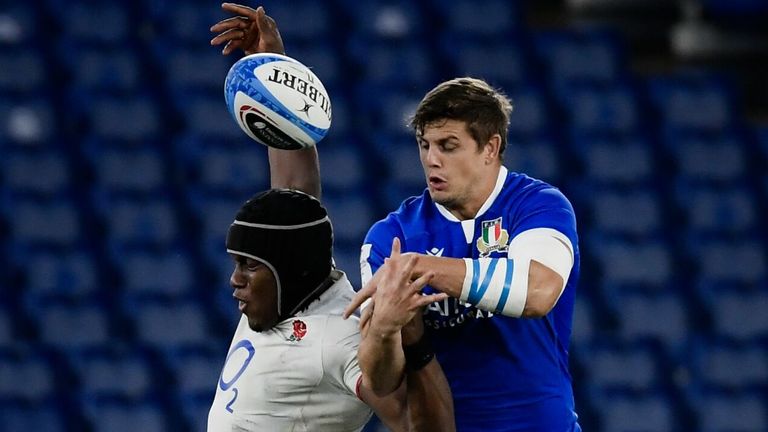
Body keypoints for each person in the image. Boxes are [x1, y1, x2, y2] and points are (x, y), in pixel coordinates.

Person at [207, 4, 455, 432]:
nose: (236, 280)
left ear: (288, 269)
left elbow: (421, 425)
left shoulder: (339, 337)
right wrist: (272, 71)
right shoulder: (284, 295)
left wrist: (413, 340)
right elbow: (296, 200)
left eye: (249, 266)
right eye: (237, 263)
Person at [346, 78, 583, 431]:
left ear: (490, 148)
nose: (431, 159)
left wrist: (419, 266)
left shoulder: (538, 205)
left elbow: (538, 291)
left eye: (448, 146)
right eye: (424, 145)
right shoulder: (392, 236)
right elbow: (382, 382)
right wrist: (383, 330)